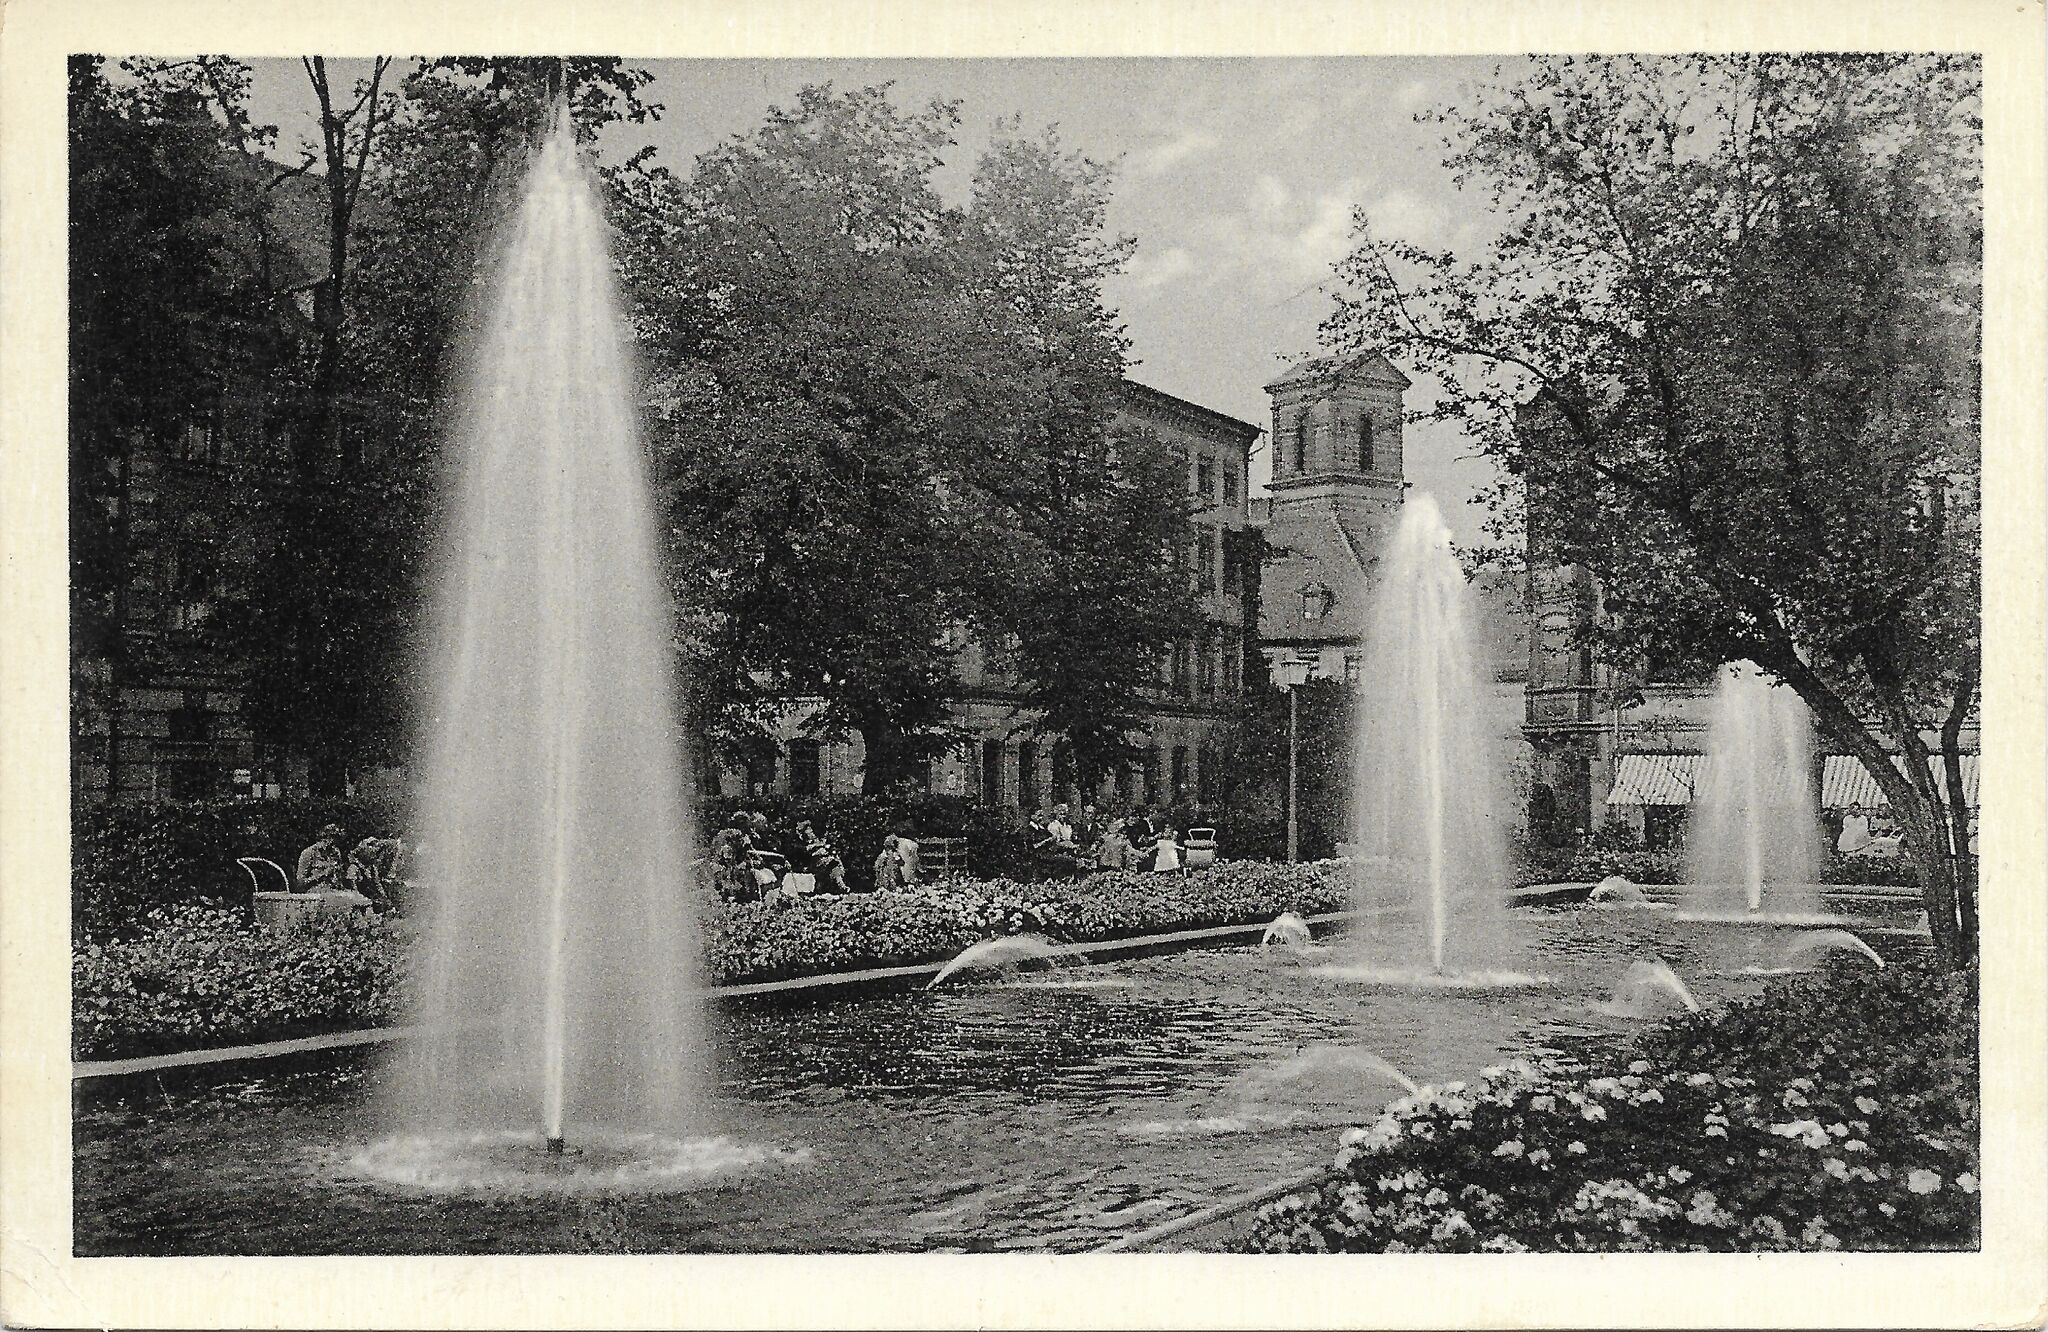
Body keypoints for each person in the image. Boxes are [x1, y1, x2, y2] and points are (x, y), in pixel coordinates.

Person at [791, 819, 850, 894]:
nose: (811, 834)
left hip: (826, 859)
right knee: (821, 879)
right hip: (817, 862)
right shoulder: (805, 843)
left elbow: (827, 843)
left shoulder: (819, 839)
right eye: (808, 832)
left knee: (835, 870)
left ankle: (841, 887)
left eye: (811, 832)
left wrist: (826, 847)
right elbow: (806, 849)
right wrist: (818, 846)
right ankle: (822, 890)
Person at [349, 834, 405, 907]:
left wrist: (384, 898)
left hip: (372, 898)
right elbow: (352, 889)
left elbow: (377, 884)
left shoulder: (372, 868)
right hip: (362, 900)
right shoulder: (355, 867)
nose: (375, 851)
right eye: (372, 847)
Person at [295, 824, 346, 893]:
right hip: (315, 894)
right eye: (330, 839)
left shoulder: (335, 852)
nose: (332, 844)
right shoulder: (309, 853)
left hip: (335, 892)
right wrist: (323, 874)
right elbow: (300, 883)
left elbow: (339, 878)